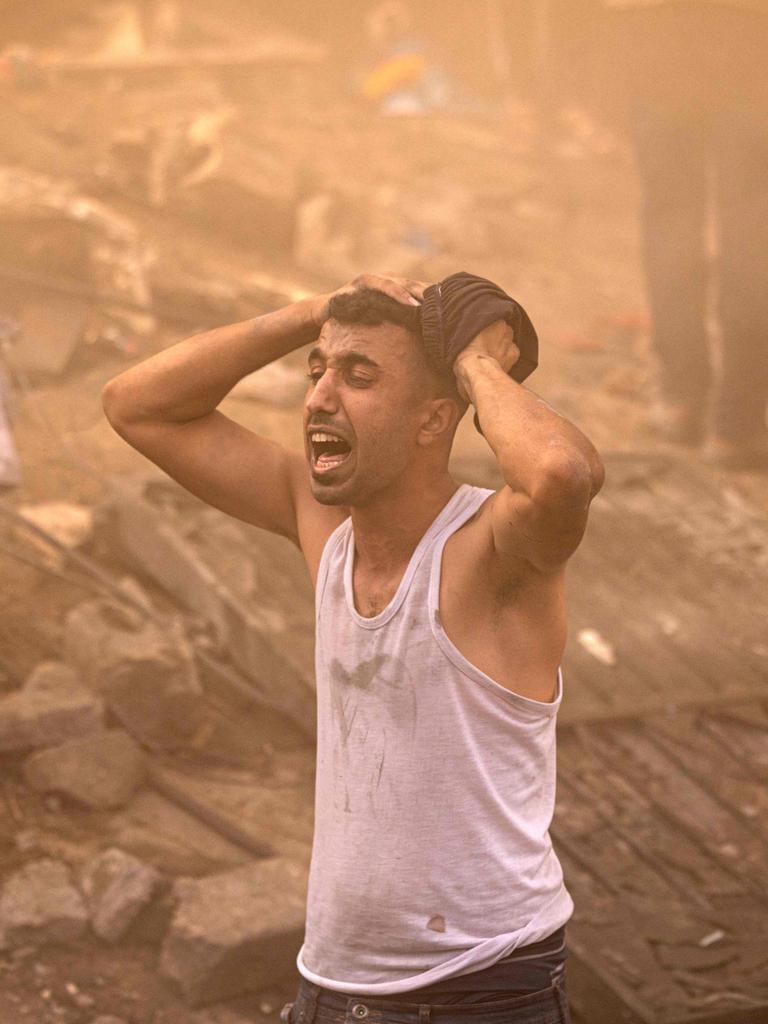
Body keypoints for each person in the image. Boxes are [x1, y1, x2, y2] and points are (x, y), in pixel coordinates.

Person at [102, 272, 604, 1024]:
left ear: (434, 422)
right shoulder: (327, 527)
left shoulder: (493, 554)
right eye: (317, 373)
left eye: (359, 377)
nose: (319, 399)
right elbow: (136, 405)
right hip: (333, 984)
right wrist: (316, 314)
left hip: (479, 989)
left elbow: (563, 473)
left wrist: (475, 364)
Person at [603, 0, 768, 469]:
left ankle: (682, 398)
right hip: (750, 40)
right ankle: (736, 423)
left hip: (662, 40)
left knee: (671, 217)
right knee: (752, 228)